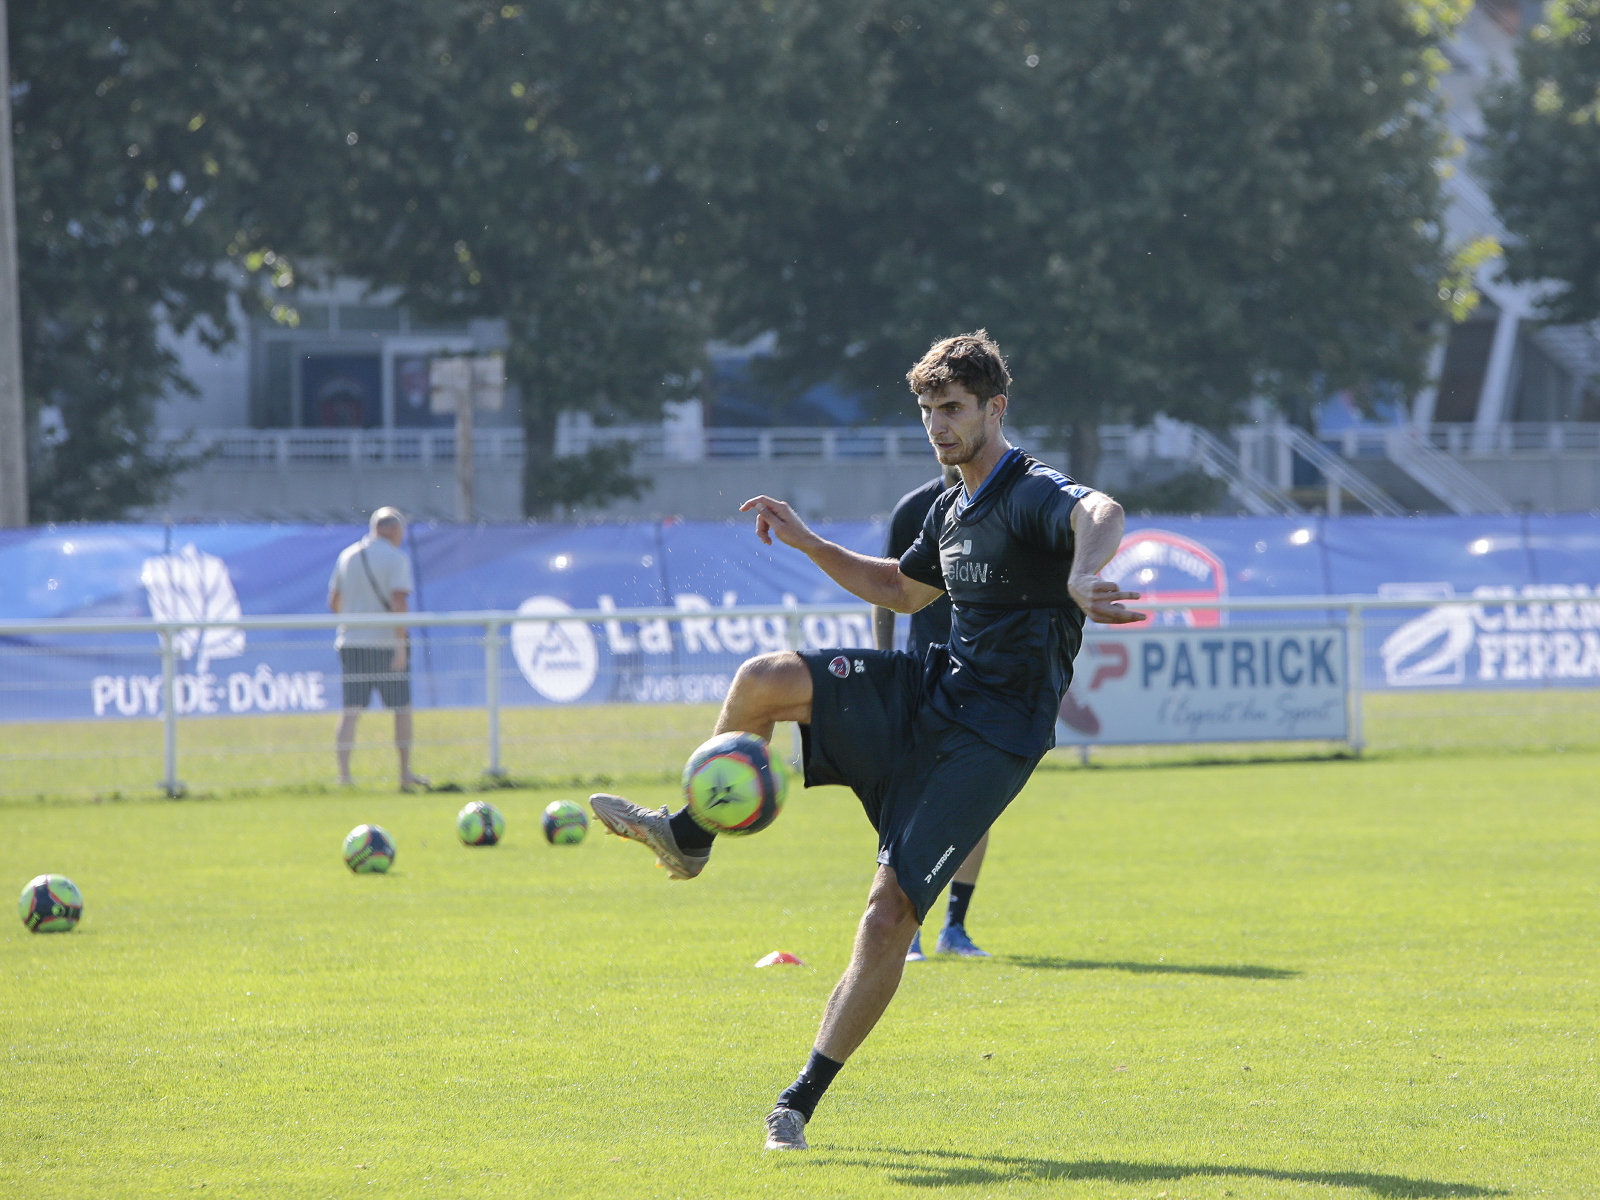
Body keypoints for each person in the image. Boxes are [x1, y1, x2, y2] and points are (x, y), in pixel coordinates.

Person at [588, 331, 1143, 1151]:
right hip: (933, 690)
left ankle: (799, 1100)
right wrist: (810, 541)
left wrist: (1078, 573)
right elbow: (898, 586)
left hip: (993, 737)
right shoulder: (951, 506)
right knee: (763, 679)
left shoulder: (1027, 492)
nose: (938, 426)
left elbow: (1101, 510)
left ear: (996, 408)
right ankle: (690, 835)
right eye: (927, 411)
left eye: (952, 409)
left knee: (887, 917)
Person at [874, 463, 994, 962]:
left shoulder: (1009, 505)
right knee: (914, 802)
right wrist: (885, 664)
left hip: (987, 676)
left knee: (980, 803)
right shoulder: (912, 509)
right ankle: (910, 932)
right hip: (926, 670)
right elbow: (886, 591)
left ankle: (956, 929)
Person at [328, 507, 427, 791]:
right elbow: (399, 602)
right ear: (396, 531)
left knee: (350, 711)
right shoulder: (396, 559)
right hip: (386, 644)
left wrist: (351, 623)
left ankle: (344, 777)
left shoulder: (347, 556)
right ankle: (404, 773)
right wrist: (400, 646)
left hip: (351, 643)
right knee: (402, 709)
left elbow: (334, 600)